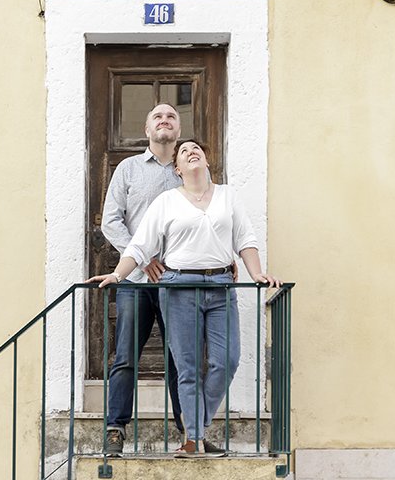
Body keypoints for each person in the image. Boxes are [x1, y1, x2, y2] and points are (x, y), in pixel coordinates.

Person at [90, 139, 280, 458]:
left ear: (206, 161)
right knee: (188, 367)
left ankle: (196, 427)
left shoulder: (227, 196)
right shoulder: (166, 201)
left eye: (197, 150)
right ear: (178, 168)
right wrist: (118, 275)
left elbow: (245, 238)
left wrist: (257, 273)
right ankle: (194, 438)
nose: (191, 152)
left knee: (226, 361)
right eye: (184, 152)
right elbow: (140, 245)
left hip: (220, 284)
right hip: (177, 286)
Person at [98, 102, 185, 457]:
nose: (164, 121)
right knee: (126, 357)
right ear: (148, 129)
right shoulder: (128, 169)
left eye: (171, 117)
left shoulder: (188, 171)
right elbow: (110, 221)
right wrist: (144, 257)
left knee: (182, 358)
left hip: (180, 282)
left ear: (178, 130)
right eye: (157, 117)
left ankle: (189, 432)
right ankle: (115, 429)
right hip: (135, 280)